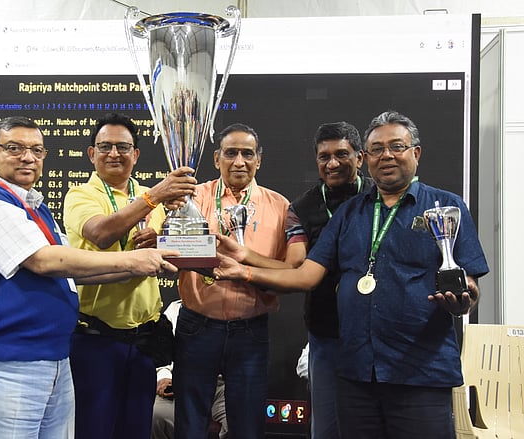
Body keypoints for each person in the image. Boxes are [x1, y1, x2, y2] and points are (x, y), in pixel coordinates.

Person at [214, 111, 489, 439]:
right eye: (377, 149)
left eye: (396, 147)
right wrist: (244, 269)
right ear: (367, 158)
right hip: (357, 372)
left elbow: (469, 281)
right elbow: (305, 275)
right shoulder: (349, 213)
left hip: (420, 370)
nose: (386, 155)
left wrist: (464, 299)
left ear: (415, 152)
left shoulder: (446, 207)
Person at [0, 116, 177, 439]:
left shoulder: (35, 208)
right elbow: (43, 261)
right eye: (14, 148)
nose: (28, 157)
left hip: (51, 357)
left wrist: (150, 262)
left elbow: (73, 272)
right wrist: (134, 260)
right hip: (2, 363)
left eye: (36, 150)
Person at [62, 112, 197, 439]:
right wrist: (154, 197)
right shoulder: (81, 195)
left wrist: (159, 240)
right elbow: (101, 234)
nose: (114, 153)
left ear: (135, 154)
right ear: (91, 153)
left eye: (123, 147)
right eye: (105, 146)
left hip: (143, 342)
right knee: (94, 431)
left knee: (136, 430)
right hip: (96, 340)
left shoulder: (152, 198)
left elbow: (167, 252)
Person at [173, 123, 290, 439]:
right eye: (231, 153)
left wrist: (249, 267)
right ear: (216, 158)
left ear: (259, 160)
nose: (239, 161)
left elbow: (288, 271)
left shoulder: (280, 207)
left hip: (250, 330)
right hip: (197, 326)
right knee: (189, 424)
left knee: (248, 426)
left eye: (247, 154)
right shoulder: (191, 198)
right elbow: (171, 249)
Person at [286, 121, 374, 439]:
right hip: (326, 332)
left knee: (373, 424)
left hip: (375, 332)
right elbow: (295, 264)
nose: (332, 163)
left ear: (360, 157)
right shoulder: (301, 207)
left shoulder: (380, 196)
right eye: (324, 157)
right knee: (326, 428)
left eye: (341, 154)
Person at [152, 300, 227, 439]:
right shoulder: (175, 309)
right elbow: (162, 354)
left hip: (221, 385)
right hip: (180, 384)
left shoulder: (232, 311)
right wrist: (164, 376)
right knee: (157, 415)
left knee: (239, 421)